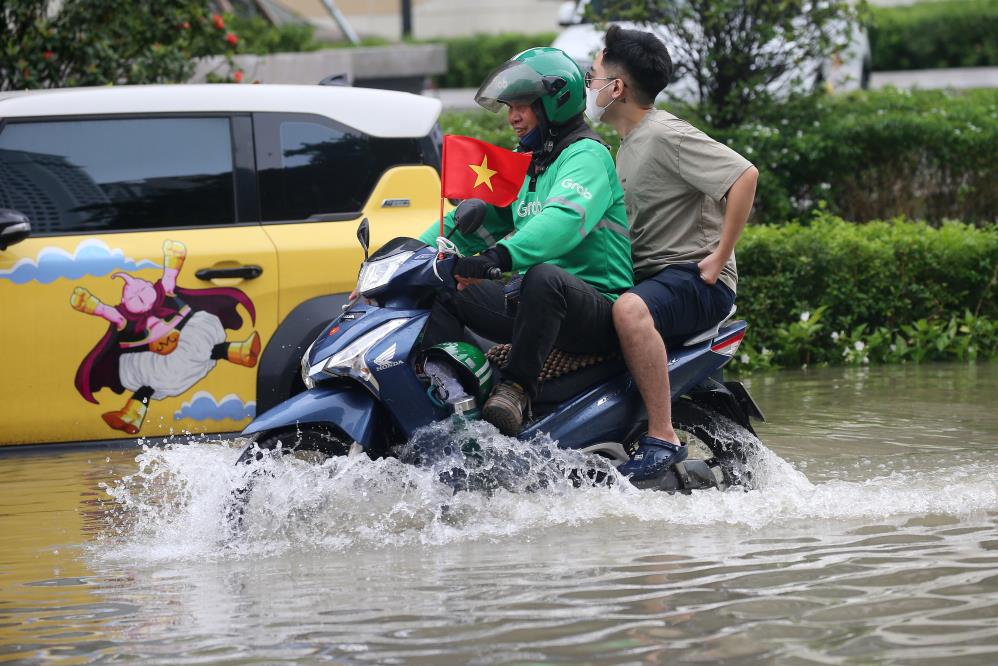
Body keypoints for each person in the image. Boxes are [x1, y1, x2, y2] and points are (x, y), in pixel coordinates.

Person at [418, 47, 633, 436]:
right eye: (509, 106)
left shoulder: (586, 156)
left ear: (556, 101)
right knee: (443, 284)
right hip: (535, 307)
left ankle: (516, 389)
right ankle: (445, 386)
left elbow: (563, 220)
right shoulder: (530, 161)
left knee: (544, 277)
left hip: (595, 309)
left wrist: (500, 255)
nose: (513, 117)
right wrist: (411, 255)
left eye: (523, 105)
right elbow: (476, 218)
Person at [585, 25, 759, 481]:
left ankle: (663, 435)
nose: (588, 85)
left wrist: (720, 257)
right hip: (657, 281)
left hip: (695, 280)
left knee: (629, 311)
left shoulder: (664, 133)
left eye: (593, 75)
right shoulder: (623, 147)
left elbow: (744, 176)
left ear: (616, 88)